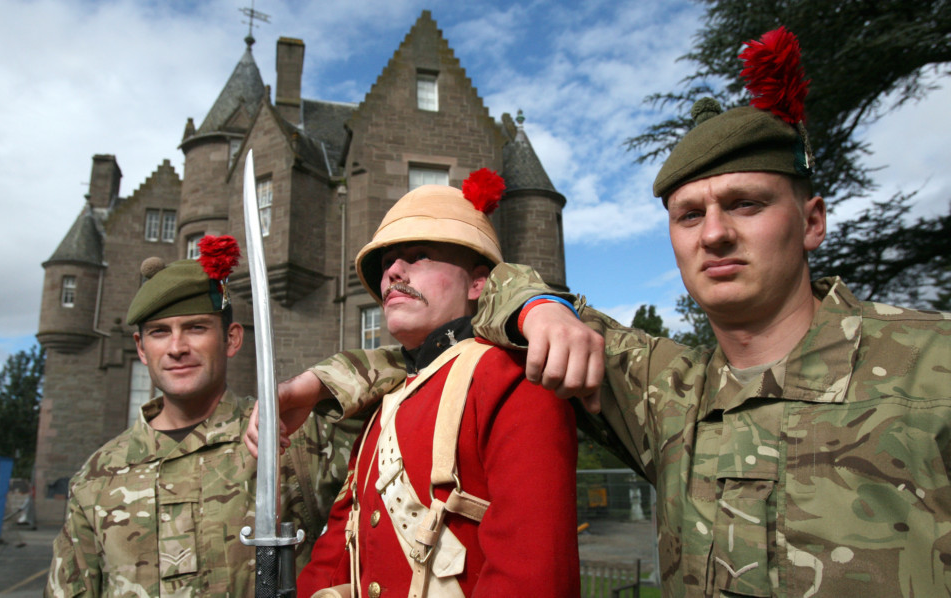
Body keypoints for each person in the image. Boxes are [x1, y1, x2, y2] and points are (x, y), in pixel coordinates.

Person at [256, 28, 951, 597]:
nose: (713, 233)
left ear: (812, 219)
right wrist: (539, 307)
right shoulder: (672, 391)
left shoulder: (931, 368)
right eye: (688, 215)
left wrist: (535, 306)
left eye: (745, 203)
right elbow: (434, 351)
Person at [288, 171, 579, 597]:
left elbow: (531, 579)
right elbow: (338, 549)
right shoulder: (384, 400)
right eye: (387, 263)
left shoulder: (514, 377)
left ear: (479, 282)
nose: (393, 272)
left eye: (418, 255)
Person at [46, 236, 353, 597]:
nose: (177, 348)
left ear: (231, 339)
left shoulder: (295, 437)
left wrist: (316, 384)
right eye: (160, 332)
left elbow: (415, 371)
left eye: (196, 328)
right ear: (141, 349)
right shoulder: (96, 478)